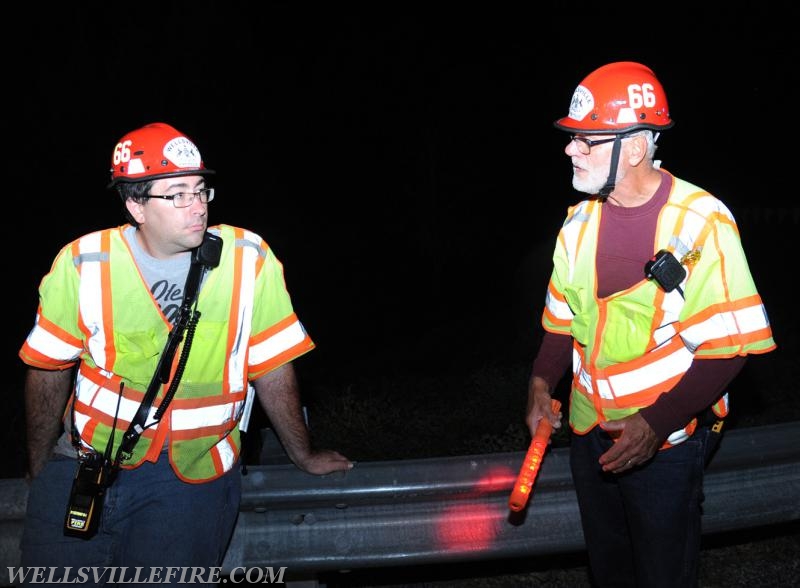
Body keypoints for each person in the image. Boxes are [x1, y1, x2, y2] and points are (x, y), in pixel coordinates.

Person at [19, 122, 353, 586]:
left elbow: (274, 366)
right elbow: (46, 371)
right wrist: (41, 468)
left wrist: (304, 454)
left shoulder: (247, 258)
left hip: (192, 477)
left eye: (200, 190)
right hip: (83, 463)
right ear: (135, 204)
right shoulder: (83, 262)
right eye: (177, 194)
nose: (197, 205)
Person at [525, 62, 776, 587]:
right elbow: (561, 321)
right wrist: (540, 384)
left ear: (634, 148)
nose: (571, 150)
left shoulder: (701, 220)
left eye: (586, 141)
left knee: (663, 576)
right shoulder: (576, 225)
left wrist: (655, 423)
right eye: (571, 140)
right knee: (609, 570)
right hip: (588, 430)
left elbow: (731, 346)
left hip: (666, 443)